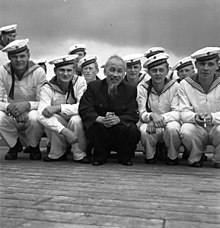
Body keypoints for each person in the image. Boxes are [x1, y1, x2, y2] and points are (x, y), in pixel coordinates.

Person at [79, 55, 140, 166]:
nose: (115, 75)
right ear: (104, 71)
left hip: (120, 130)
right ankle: (100, 156)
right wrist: (100, 119)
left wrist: (118, 119)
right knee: (93, 126)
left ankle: (124, 156)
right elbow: (84, 108)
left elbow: (133, 114)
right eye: (112, 70)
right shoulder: (94, 86)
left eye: (119, 71)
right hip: (101, 129)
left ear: (124, 73)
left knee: (132, 129)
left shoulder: (130, 89)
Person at [38, 54, 90, 163]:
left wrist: (58, 107)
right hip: (60, 122)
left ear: (74, 71)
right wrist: (65, 131)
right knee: (51, 118)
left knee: (76, 120)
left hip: (74, 119)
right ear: (55, 71)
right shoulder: (47, 87)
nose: (65, 74)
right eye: (61, 70)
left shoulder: (80, 82)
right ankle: (57, 153)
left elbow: (82, 106)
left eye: (69, 70)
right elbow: (41, 115)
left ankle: (79, 154)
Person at [0, 39, 46, 160]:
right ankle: (14, 145)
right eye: (14, 56)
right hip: (11, 112)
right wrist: (8, 107)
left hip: (31, 110)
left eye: (22, 56)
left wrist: (26, 106)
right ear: (9, 57)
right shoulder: (2, 71)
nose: (19, 60)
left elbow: (43, 101)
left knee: (35, 117)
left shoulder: (38, 72)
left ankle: (34, 146)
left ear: (28, 55)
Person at [179, 47, 220, 168]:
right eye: (202, 64)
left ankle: (218, 159)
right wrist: (195, 117)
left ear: (217, 66)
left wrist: (212, 117)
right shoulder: (185, 84)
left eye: (210, 64)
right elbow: (183, 112)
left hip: (217, 125)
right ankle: (196, 157)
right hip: (197, 125)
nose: (206, 68)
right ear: (196, 65)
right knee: (186, 130)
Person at [137, 52, 181, 165]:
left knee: (173, 128)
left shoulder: (175, 86)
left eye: (161, 70)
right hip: (150, 121)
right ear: (148, 72)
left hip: (169, 121)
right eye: (154, 70)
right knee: (144, 130)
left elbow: (177, 112)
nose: (158, 74)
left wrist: (158, 118)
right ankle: (150, 156)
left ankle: (172, 157)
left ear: (167, 71)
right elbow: (141, 112)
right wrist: (151, 116)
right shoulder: (142, 88)